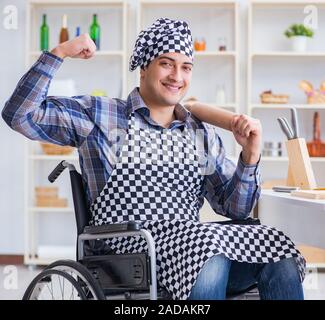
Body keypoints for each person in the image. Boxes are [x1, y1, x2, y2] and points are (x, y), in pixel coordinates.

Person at [2, 18, 305, 300]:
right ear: (143, 68)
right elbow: (19, 115)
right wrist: (59, 52)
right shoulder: (102, 115)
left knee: (276, 248)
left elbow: (234, 209)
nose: (177, 76)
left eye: (186, 67)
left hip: (191, 246)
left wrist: (250, 158)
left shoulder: (200, 131)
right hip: (125, 251)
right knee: (208, 250)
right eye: (166, 64)